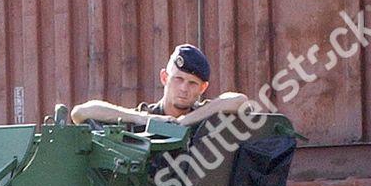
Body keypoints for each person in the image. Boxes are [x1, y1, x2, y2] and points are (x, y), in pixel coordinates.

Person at [70, 44, 248, 127]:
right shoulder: (146, 116)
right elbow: (80, 113)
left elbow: (240, 101)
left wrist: (186, 121)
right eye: (178, 79)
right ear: (164, 78)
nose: (184, 88)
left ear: (203, 88)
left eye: (193, 83)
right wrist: (141, 119)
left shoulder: (203, 116)